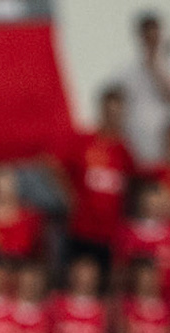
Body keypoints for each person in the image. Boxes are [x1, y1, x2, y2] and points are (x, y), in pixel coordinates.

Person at [57, 86, 135, 275]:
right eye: (110, 111)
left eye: (117, 112)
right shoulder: (84, 142)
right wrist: (69, 197)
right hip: (81, 230)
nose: (113, 117)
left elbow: (133, 184)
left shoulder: (124, 151)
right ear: (102, 110)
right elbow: (55, 167)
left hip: (110, 236)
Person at [114, 12, 170, 167]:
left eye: (154, 33)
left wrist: (155, 65)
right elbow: (117, 108)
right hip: (135, 146)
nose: (151, 38)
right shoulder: (126, 71)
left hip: (165, 149)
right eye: (146, 33)